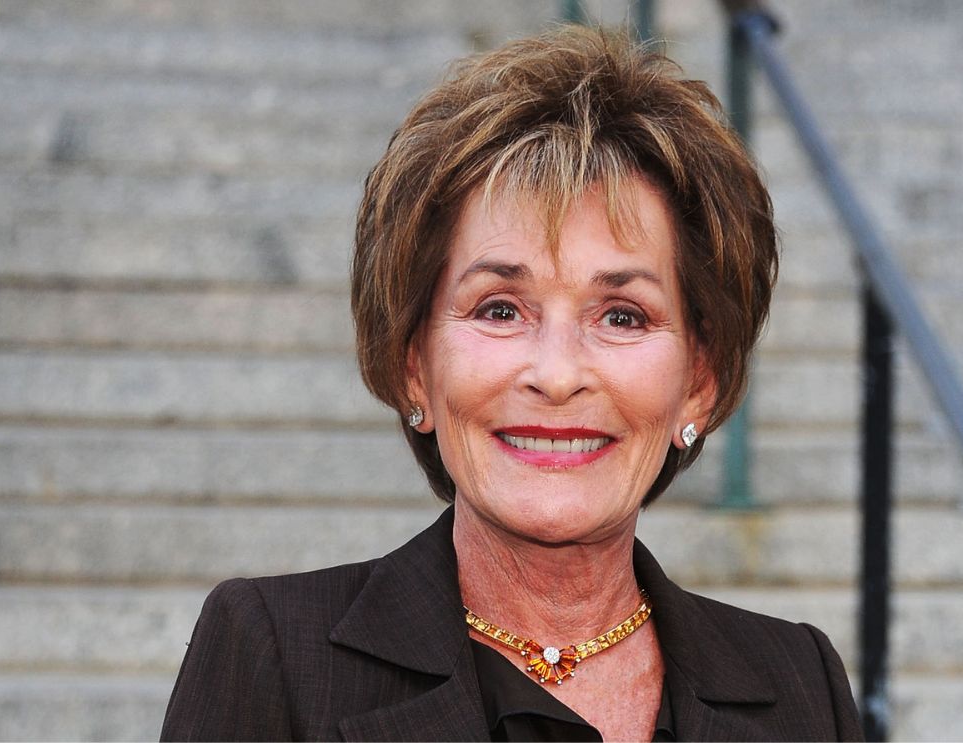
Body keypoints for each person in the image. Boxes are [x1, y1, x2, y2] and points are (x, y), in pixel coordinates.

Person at [162, 25, 862, 742]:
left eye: (621, 315)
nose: (557, 374)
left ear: (699, 384)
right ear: (414, 365)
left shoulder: (798, 681)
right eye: (500, 309)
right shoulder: (274, 651)